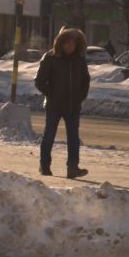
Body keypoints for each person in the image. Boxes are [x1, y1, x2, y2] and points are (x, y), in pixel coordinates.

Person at [35, 28, 91, 179]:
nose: (70, 46)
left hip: (73, 106)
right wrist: (53, 95)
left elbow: (85, 79)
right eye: (67, 42)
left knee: (73, 137)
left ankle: (72, 168)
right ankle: (45, 165)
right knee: (49, 135)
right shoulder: (50, 57)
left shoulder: (79, 59)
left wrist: (81, 96)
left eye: (73, 43)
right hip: (54, 106)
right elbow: (39, 81)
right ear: (61, 43)